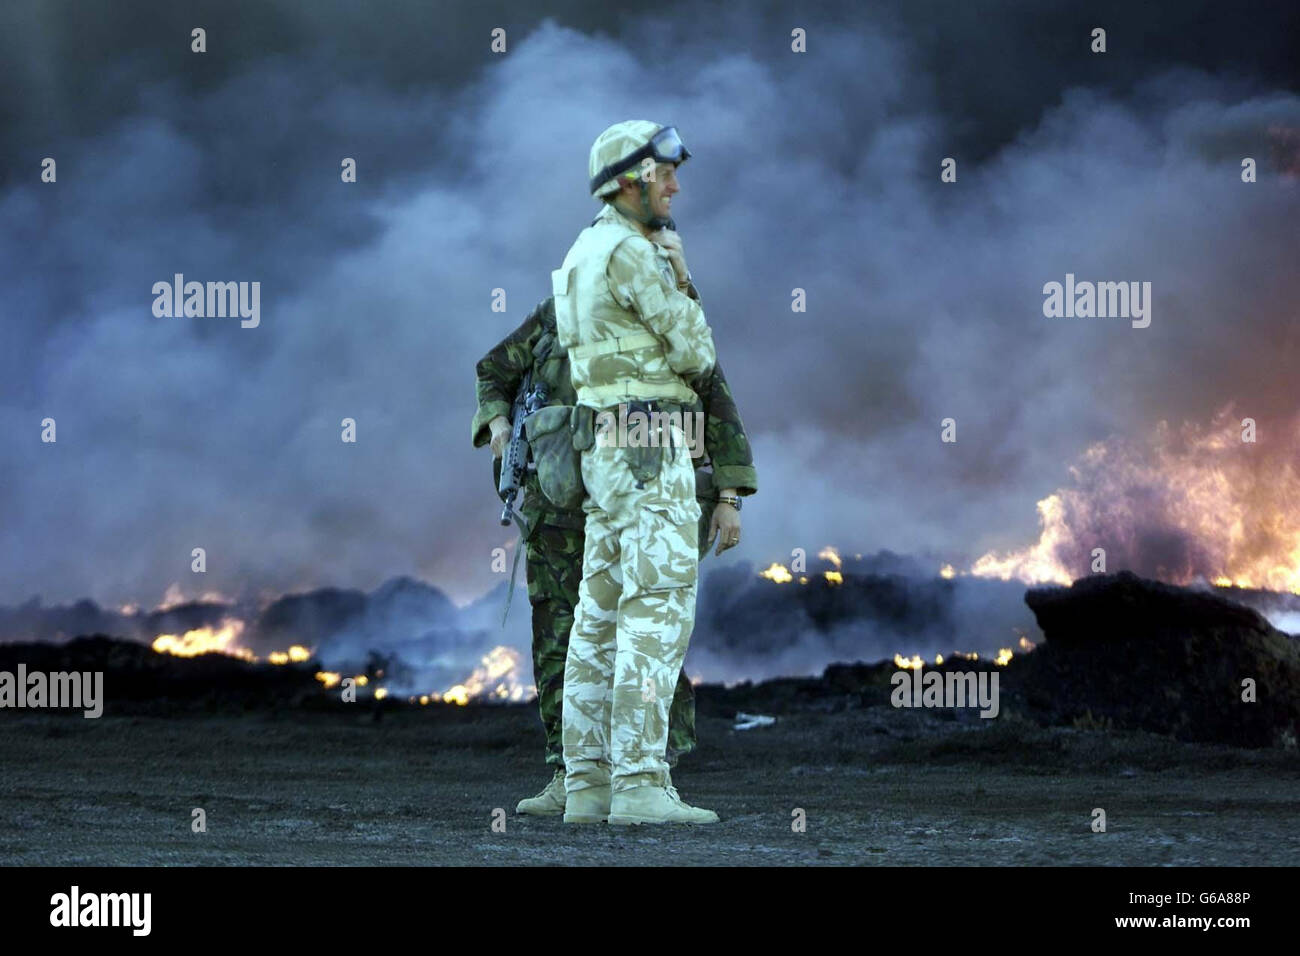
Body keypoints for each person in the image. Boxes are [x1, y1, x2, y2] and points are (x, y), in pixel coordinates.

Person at [471, 294, 756, 815]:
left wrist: (729, 495)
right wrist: (499, 426)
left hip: (637, 502)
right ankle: (574, 772)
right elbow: (493, 369)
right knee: (562, 639)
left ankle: (645, 773)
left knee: (645, 636)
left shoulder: (667, 314)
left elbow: (716, 403)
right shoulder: (558, 312)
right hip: (557, 510)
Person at [552, 120, 726, 824]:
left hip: (606, 449)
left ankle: (588, 784)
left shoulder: (583, 248)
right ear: (632, 181)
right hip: (652, 444)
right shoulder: (632, 252)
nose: (675, 186)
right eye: (664, 175)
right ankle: (642, 786)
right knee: (653, 614)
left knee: (596, 616)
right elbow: (696, 354)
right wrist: (682, 274)